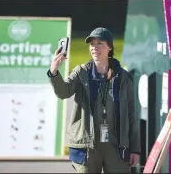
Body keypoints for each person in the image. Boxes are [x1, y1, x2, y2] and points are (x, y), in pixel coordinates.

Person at [47, 27, 140, 173]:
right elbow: (63, 92)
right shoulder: (81, 72)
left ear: (110, 47)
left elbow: (131, 115)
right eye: (92, 44)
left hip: (116, 145)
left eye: (100, 44)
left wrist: (135, 149)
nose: (94, 48)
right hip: (87, 145)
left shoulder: (123, 77)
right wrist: (53, 72)